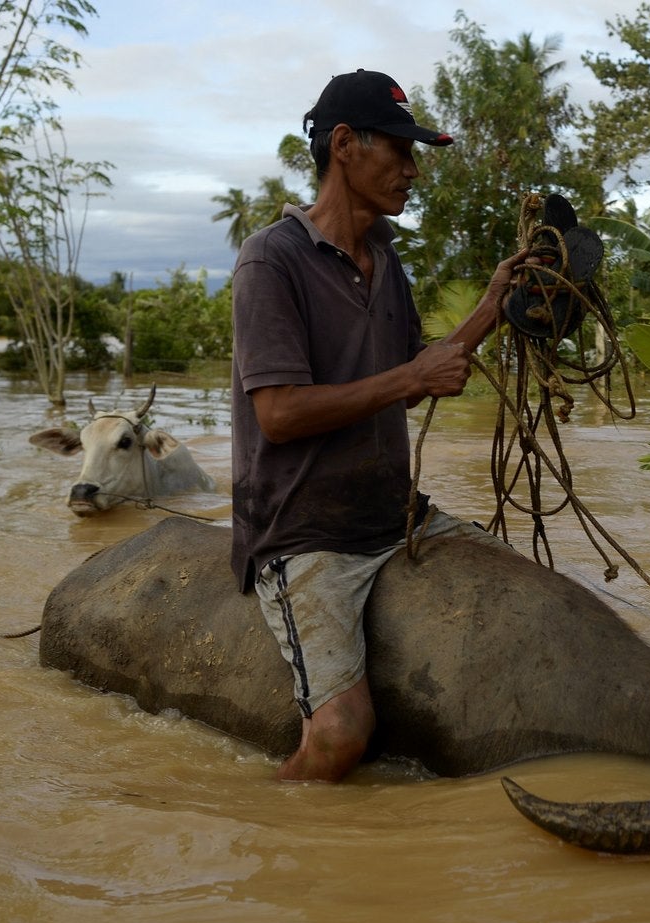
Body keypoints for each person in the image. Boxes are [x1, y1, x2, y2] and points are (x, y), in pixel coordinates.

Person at [229, 69, 526, 782]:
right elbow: (279, 413)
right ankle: (265, 816)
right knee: (340, 737)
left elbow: (412, 377)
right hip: (307, 532)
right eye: (398, 150)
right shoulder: (272, 259)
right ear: (344, 146)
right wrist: (410, 378)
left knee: (523, 585)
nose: (413, 169)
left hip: (394, 515)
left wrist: (497, 298)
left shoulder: (386, 260)